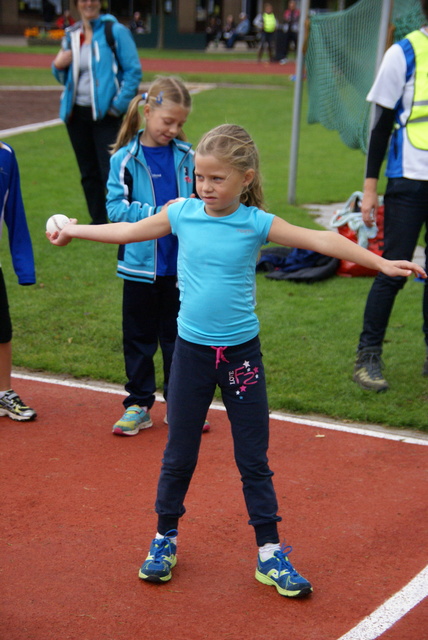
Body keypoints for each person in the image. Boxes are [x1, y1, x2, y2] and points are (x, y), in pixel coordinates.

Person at [47, 124, 425, 596]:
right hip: (191, 355)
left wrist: (383, 262)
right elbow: (128, 229)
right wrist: (74, 230)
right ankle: (164, 537)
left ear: (245, 178)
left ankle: (269, 552)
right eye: (200, 177)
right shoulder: (182, 213)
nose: (205, 187)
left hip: (242, 358)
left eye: (216, 179)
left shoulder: (256, 222)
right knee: (179, 452)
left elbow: (321, 240)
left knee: (253, 457)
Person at [106, 76, 209, 435]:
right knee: (138, 339)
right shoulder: (124, 158)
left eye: (180, 123)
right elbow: (115, 210)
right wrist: (160, 213)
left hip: (182, 270)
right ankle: (137, 404)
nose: (174, 129)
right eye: (168, 121)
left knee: (178, 339)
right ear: (147, 113)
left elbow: (204, 199)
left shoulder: (189, 157)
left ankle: (180, 405)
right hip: (139, 269)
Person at [353, 3, 428, 392]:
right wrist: (370, 188)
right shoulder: (403, 53)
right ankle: (367, 357)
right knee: (394, 270)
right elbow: (381, 127)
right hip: (408, 180)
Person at [52, 0, 142, 225]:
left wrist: (116, 107)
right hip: (76, 115)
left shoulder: (115, 32)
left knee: (111, 170)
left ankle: (123, 219)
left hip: (106, 116)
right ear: (77, 4)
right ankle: (98, 221)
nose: (89, 3)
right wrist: (57, 65)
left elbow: (133, 71)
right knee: (88, 172)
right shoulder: (72, 34)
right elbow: (65, 77)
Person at [0, 142, 37, 422]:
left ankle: (3, 393)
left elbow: (15, 211)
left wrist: (24, 268)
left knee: (2, 331)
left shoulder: (6, 155)